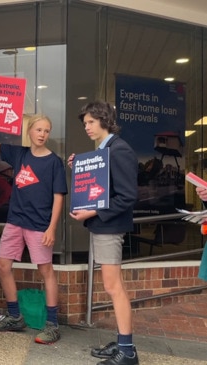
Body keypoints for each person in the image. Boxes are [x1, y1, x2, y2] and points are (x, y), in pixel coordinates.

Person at [0, 113, 67, 345]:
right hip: (15, 221)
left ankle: (52, 325)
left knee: (45, 271)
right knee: (2, 266)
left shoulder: (54, 162)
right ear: (29, 131)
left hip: (39, 224)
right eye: (38, 129)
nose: (42, 134)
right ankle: (14, 317)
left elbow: (58, 196)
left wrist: (52, 228)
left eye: (47, 131)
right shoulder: (19, 153)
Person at [68, 101, 138, 365]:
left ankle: (127, 350)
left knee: (113, 287)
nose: (86, 127)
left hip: (110, 227)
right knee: (113, 286)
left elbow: (127, 197)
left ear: (104, 121)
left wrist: (92, 213)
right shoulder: (102, 152)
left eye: (90, 122)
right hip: (103, 227)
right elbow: (100, 189)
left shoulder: (119, 150)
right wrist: (81, 167)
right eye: (84, 123)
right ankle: (123, 342)